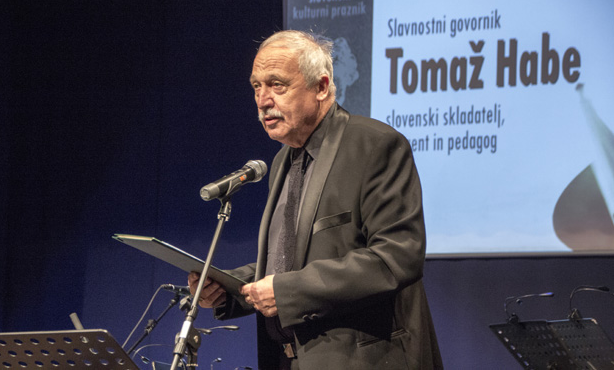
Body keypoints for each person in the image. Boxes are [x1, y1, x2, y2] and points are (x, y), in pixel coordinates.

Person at [189, 30, 442, 369]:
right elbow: (288, 263)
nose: (263, 100)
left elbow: (396, 257)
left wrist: (287, 291)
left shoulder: (375, 146)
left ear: (321, 87)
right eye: (256, 86)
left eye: (277, 85)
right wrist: (227, 289)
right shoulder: (283, 161)